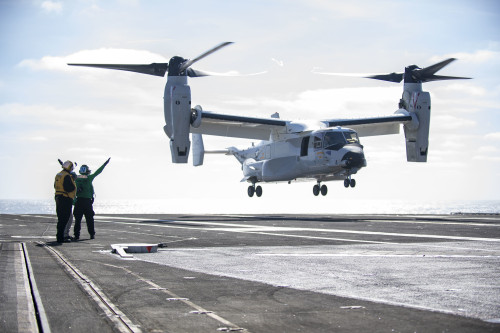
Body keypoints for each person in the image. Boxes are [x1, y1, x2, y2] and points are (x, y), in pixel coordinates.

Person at [73, 158, 110, 240]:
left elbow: (69, 174)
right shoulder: (89, 177)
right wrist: (105, 164)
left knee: (77, 220)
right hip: (87, 202)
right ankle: (92, 234)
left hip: (78, 201)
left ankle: (76, 235)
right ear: (87, 170)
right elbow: (98, 172)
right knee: (89, 219)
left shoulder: (76, 178)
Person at [54, 160, 77, 243]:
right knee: (65, 218)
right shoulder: (67, 176)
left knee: (61, 219)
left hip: (58, 197)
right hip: (65, 198)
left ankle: (59, 236)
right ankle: (62, 237)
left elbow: (55, 185)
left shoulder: (59, 174)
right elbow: (69, 188)